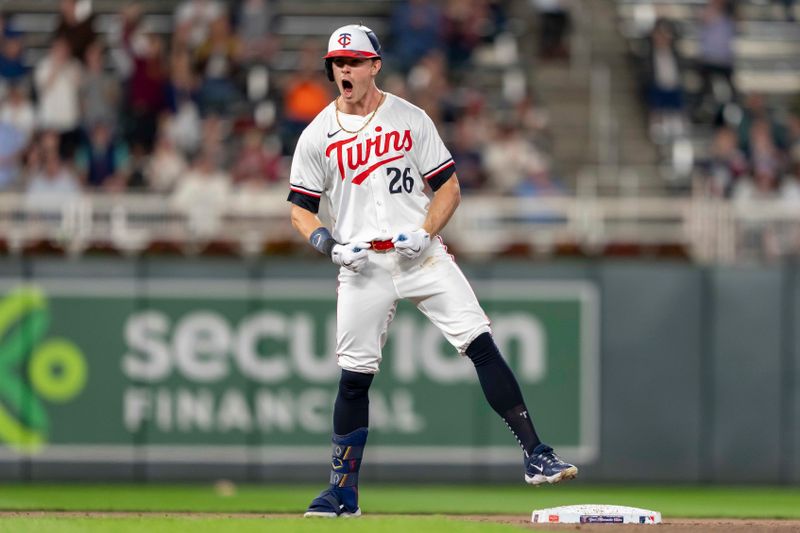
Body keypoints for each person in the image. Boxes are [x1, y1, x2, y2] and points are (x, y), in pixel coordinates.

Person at [286, 24, 578, 519]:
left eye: (354, 61)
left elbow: (449, 189)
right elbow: (299, 209)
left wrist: (426, 230)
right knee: (354, 379)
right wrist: (329, 245)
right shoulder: (318, 134)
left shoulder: (410, 117)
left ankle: (535, 453)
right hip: (361, 265)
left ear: (375, 65)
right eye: (337, 62)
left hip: (419, 253)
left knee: (480, 343)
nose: (344, 70)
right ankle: (342, 492)